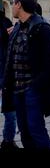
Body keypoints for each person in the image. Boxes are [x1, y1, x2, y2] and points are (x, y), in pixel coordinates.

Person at [1, 0, 50, 148]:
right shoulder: (17, 29)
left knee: (36, 130)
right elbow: (10, 61)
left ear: (19, 5)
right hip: (17, 91)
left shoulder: (42, 29)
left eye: (13, 3)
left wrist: (35, 87)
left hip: (32, 90)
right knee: (25, 132)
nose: (12, 7)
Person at [0, 8, 17, 149]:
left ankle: (8, 141)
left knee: (10, 112)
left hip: (5, 73)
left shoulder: (6, 22)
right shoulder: (6, 22)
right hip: (5, 72)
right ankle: (8, 140)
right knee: (10, 112)